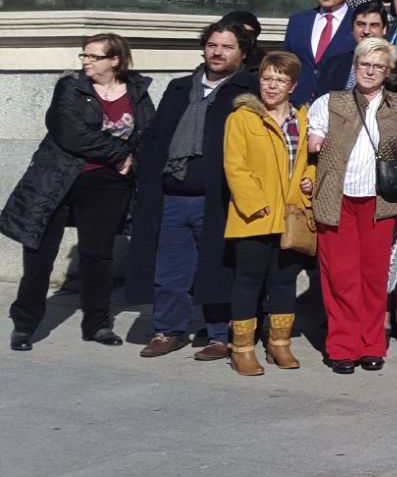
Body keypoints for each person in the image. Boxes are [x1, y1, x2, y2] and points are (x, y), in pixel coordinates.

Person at [4, 34, 153, 350]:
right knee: (40, 253)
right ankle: (25, 324)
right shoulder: (71, 87)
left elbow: (148, 134)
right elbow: (71, 134)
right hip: (58, 177)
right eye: (83, 55)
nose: (85, 61)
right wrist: (119, 154)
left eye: (93, 56)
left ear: (115, 60)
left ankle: (97, 324)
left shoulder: (137, 91)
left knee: (97, 255)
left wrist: (135, 160)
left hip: (109, 184)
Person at [125, 21, 258, 360]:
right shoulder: (179, 87)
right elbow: (154, 136)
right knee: (170, 269)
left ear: (242, 53)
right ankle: (168, 330)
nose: (217, 52)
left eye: (227, 47)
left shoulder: (248, 90)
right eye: (213, 45)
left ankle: (219, 334)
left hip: (219, 197)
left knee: (219, 267)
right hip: (172, 195)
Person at [307, 37, 397, 374]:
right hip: (337, 199)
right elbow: (314, 145)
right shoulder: (330, 102)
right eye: (364, 64)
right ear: (355, 66)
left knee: (373, 276)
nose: (370, 71)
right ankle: (342, 346)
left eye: (378, 66)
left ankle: (371, 344)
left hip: (379, 202)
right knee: (340, 276)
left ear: (388, 72)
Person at [218, 50, 314, 375]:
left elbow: (313, 162)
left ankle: (279, 343)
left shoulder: (304, 119)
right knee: (248, 279)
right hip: (255, 214)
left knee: (285, 280)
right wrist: (254, 203)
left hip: (291, 215)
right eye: (266, 78)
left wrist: (309, 180)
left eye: (280, 80)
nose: (271, 86)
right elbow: (235, 165)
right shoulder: (242, 118)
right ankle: (242, 348)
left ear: (293, 85)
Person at [284, 0, 356, 105]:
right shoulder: (298, 21)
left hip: (338, 106)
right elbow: (286, 61)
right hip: (297, 104)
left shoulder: (358, 23)